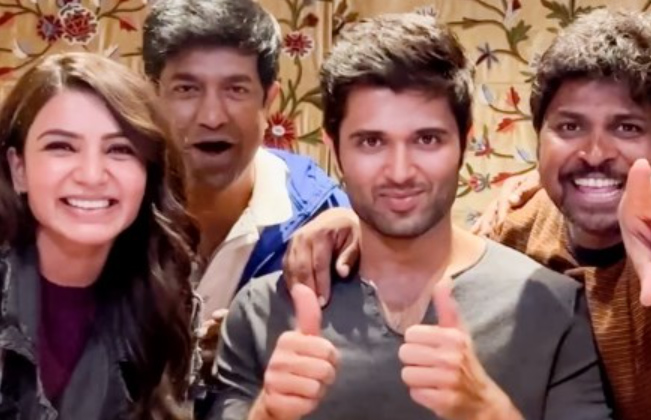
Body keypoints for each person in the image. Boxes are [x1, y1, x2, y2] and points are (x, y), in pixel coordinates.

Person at [284, 9, 651, 420]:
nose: (594, 153)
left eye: (627, 128)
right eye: (570, 127)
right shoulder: (519, 223)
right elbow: (447, 250)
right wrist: (361, 223)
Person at [210, 13, 612, 420]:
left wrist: (488, 412)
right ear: (334, 148)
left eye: (427, 139)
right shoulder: (262, 311)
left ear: (465, 142)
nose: (400, 172)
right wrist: (267, 414)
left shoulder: (552, 308)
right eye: (371, 142)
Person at [141, 0, 348, 375]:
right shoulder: (114, 206)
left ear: (268, 100)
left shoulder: (322, 213)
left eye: (236, 89)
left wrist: (254, 355)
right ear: (153, 96)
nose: (212, 117)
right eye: (187, 89)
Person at [0, 52, 198, 419]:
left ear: (149, 172)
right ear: (19, 168)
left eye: (119, 150)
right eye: (61, 147)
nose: (91, 175)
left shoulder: (164, 297)